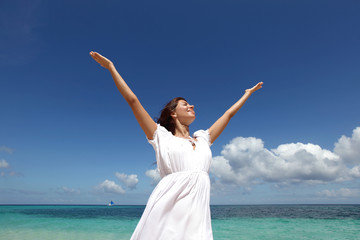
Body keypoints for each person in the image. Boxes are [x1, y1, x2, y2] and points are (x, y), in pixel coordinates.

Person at [90, 51, 263, 240]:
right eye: (185, 104)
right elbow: (133, 101)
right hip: (166, 207)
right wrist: (111, 68)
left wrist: (247, 94)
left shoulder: (203, 139)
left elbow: (228, 114)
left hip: (197, 213)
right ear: (173, 113)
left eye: (191, 104)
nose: (192, 106)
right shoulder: (161, 137)